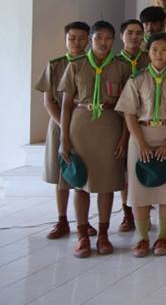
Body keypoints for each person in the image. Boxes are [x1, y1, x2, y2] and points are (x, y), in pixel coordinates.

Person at [59, 20, 132, 258]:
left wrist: (124, 138)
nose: (103, 42)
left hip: (111, 125)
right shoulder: (76, 65)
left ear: (114, 40)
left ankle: (103, 234)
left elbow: (127, 106)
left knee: (106, 183)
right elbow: (66, 104)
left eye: (108, 38)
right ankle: (82, 236)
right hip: (81, 125)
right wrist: (64, 137)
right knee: (81, 182)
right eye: (98, 37)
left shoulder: (122, 67)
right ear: (91, 39)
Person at [117, 32, 166, 257]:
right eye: (155, 50)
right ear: (148, 53)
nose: (159, 54)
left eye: (164, 50)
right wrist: (141, 143)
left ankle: (163, 237)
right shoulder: (136, 79)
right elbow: (129, 113)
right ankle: (142, 238)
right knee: (140, 189)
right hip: (141, 135)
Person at [35, 21, 90, 240]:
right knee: (62, 173)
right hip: (59, 124)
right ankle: (62, 220)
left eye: (81, 38)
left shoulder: (92, 64)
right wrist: (64, 127)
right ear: (65, 40)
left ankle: (84, 221)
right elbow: (48, 101)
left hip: (84, 125)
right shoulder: (55, 65)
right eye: (71, 38)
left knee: (82, 173)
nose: (76, 42)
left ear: (88, 40)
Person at [116, 18, 147, 230]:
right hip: (119, 119)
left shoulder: (150, 58)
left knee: (141, 166)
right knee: (123, 169)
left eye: (138, 33)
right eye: (130, 33)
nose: (134, 37)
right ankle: (127, 213)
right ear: (122, 36)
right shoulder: (114, 62)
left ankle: (144, 211)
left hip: (145, 120)